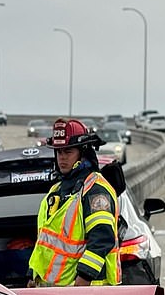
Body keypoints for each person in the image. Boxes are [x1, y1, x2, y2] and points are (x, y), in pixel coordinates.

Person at [28, 117, 120, 286]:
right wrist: (33, 275)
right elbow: (44, 242)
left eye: (68, 152)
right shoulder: (56, 190)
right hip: (53, 292)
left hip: (86, 292)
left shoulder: (95, 189)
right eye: (59, 152)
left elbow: (102, 238)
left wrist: (83, 280)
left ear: (83, 152)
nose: (62, 158)